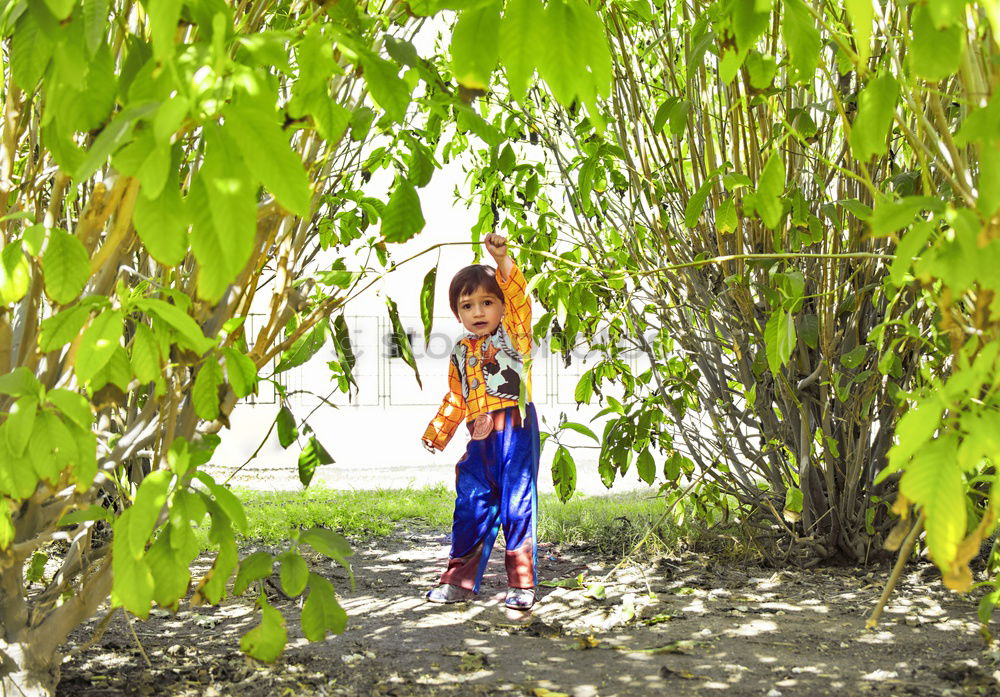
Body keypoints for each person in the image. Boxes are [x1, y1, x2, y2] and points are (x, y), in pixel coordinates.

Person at [421, 232, 540, 611]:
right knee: (470, 502)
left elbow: (520, 301)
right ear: (458, 313)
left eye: (488, 302)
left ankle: (522, 584)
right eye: (468, 305)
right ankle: (458, 580)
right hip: (480, 438)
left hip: (516, 433)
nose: (478, 312)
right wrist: (438, 432)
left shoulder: (514, 336)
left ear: (502, 306)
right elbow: (457, 396)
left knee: (517, 504)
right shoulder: (460, 350)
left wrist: (503, 261)